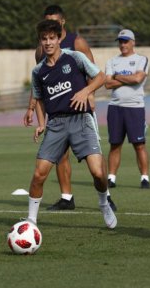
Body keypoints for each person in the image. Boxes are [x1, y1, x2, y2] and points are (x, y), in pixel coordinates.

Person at [26, 19, 117, 229]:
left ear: (59, 39)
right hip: (56, 124)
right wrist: (41, 123)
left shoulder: (74, 58)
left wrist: (86, 91)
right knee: (39, 173)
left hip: (81, 120)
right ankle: (31, 220)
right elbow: (39, 98)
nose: (48, 42)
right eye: (44, 39)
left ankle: (104, 203)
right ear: (40, 42)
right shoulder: (38, 72)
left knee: (98, 172)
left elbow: (101, 77)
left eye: (52, 38)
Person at [23, 5, 98, 211]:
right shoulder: (41, 49)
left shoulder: (76, 43)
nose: (51, 28)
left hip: (81, 109)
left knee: (95, 160)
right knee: (60, 156)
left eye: (55, 22)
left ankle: (105, 196)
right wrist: (32, 108)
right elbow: (39, 82)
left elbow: (93, 71)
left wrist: (89, 94)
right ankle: (67, 197)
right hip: (57, 113)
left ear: (62, 22)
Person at [104, 28, 150, 189]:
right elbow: (107, 84)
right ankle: (111, 178)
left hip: (135, 107)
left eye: (125, 41)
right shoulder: (112, 61)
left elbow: (138, 78)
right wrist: (127, 79)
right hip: (115, 107)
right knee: (115, 144)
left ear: (133, 42)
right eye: (120, 42)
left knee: (139, 144)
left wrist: (117, 76)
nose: (123, 45)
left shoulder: (141, 59)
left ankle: (145, 177)